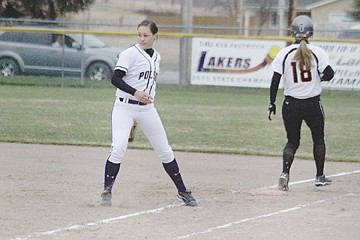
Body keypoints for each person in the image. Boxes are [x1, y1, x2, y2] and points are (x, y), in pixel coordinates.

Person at [100, 20, 197, 207]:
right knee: (118, 148)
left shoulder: (157, 57)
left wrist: (140, 105)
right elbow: (115, 78)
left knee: (164, 150)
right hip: (124, 107)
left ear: (155, 36)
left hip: (146, 110)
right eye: (139, 35)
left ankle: (183, 191)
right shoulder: (129, 54)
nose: (142, 39)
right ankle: (107, 190)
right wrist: (135, 93)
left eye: (146, 35)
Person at [267, 15, 335, 191]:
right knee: (318, 139)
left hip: (291, 105)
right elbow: (330, 73)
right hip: (312, 104)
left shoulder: (284, 52)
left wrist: (272, 102)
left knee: (292, 142)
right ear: (310, 33)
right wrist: (318, 77)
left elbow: (275, 81)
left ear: (293, 33)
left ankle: (284, 174)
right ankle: (319, 175)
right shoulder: (318, 52)